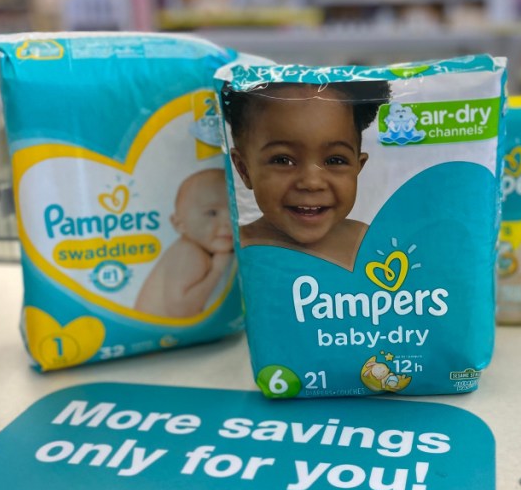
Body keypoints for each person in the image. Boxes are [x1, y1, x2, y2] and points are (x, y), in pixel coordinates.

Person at [221, 79, 390, 270]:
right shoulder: (235, 249)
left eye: (335, 160)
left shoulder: (367, 243)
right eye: (283, 160)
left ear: (358, 167)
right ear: (244, 169)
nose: (312, 182)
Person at [135, 168, 234, 317]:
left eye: (234, 211)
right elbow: (180, 311)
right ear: (179, 224)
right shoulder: (189, 253)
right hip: (155, 333)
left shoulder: (199, 248)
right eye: (212, 213)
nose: (228, 222)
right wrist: (217, 271)